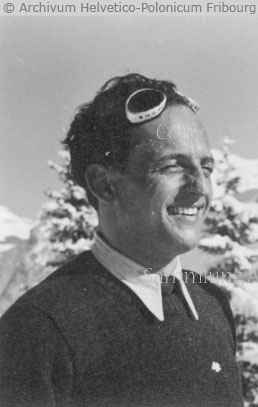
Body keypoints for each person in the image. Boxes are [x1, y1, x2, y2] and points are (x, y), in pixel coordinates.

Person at [0, 74, 244, 407]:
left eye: (206, 167)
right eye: (173, 166)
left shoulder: (212, 305)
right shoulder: (38, 329)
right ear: (105, 184)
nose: (200, 187)